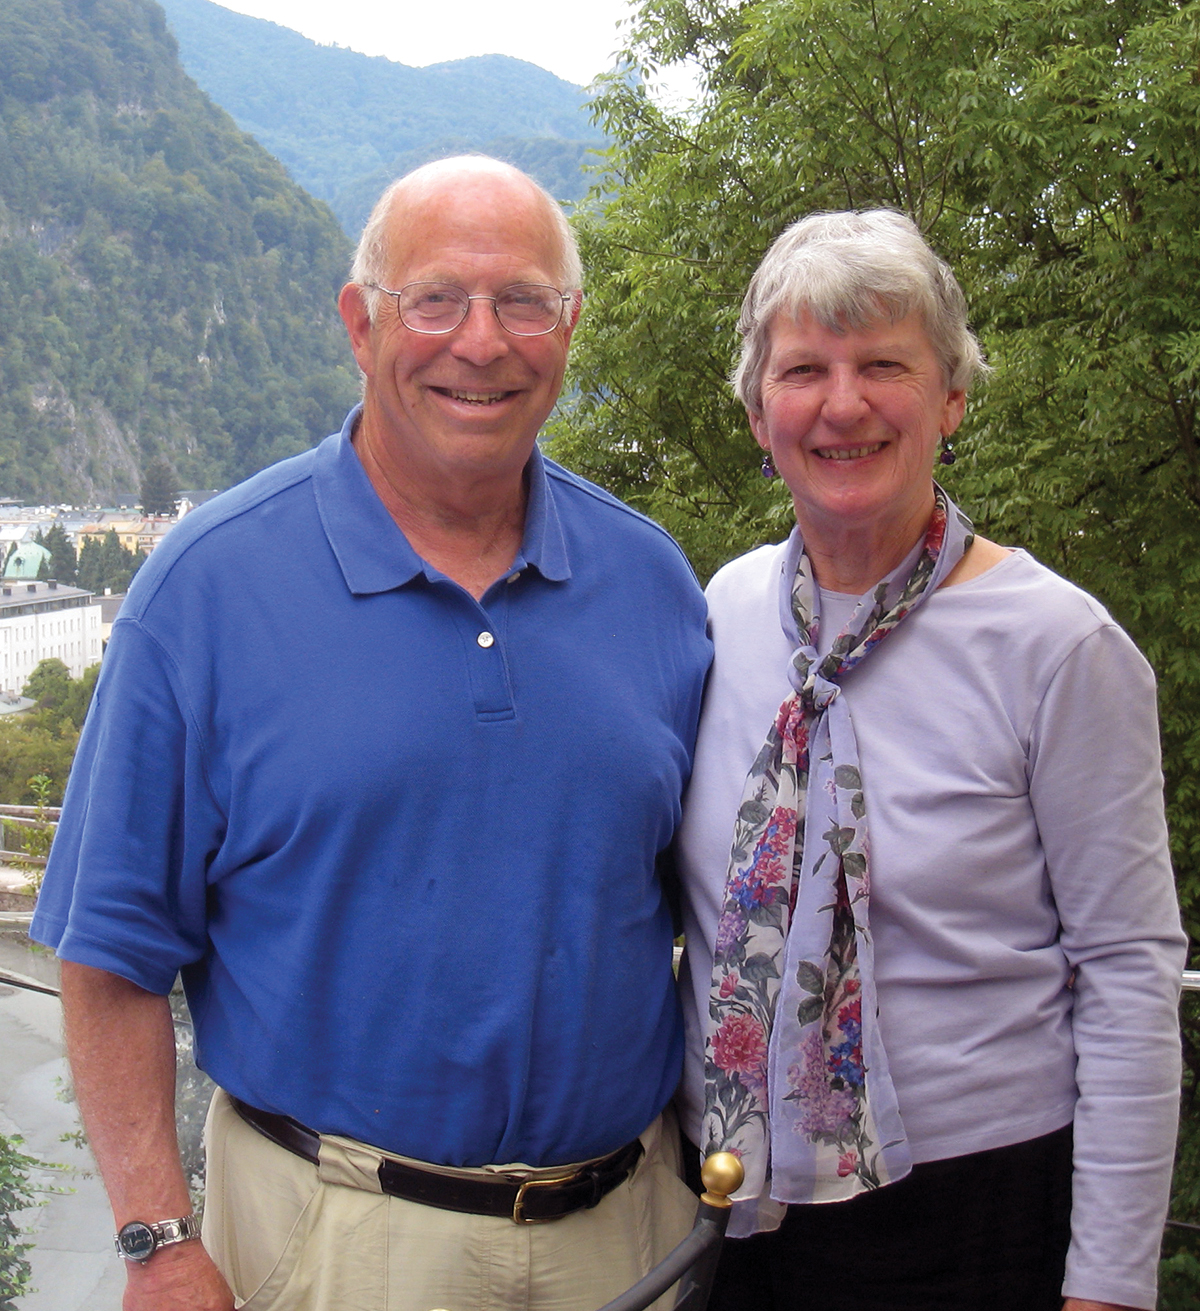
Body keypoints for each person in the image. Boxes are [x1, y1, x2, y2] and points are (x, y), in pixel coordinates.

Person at [31, 156, 712, 1311]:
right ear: (360, 324)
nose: (481, 342)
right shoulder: (208, 592)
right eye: (435, 300)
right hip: (333, 1242)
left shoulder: (651, 585)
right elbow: (107, 955)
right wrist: (158, 1240)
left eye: (524, 302)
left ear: (569, 327)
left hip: (627, 1235)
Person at [675, 210, 1186, 1311]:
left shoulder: (1057, 646)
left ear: (950, 398)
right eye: (803, 369)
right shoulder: (722, 612)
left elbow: (1129, 971)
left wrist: (1107, 1283)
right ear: (759, 411)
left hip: (978, 1215)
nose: (843, 403)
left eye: (884, 365)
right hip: (729, 1205)